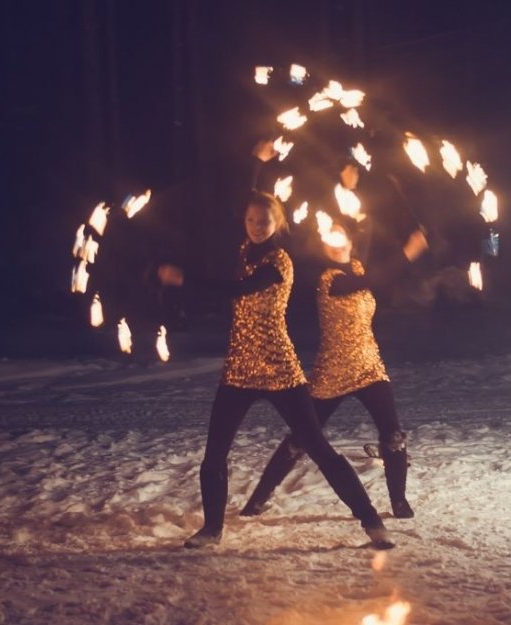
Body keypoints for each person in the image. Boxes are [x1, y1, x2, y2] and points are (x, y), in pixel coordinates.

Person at [157, 191, 395, 549]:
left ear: (278, 223)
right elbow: (244, 204)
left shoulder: (280, 262)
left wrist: (184, 279)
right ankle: (211, 529)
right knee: (215, 451)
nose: (256, 227)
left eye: (264, 221)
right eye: (251, 220)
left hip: (280, 369)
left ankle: (372, 522)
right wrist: (257, 165)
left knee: (317, 446)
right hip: (239, 370)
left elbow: (241, 289)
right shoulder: (244, 251)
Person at [240, 220, 428, 520]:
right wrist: (408, 252)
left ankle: (399, 502)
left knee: (393, 434)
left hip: (370, 367)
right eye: (329, 235)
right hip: (333, 371)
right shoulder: (330, 278)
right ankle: (258, 498)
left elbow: (374, 274)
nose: (332, 236)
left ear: (351, 241)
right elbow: (375, 280)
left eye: (340, 231)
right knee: (302, 437)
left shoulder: (358, 268)